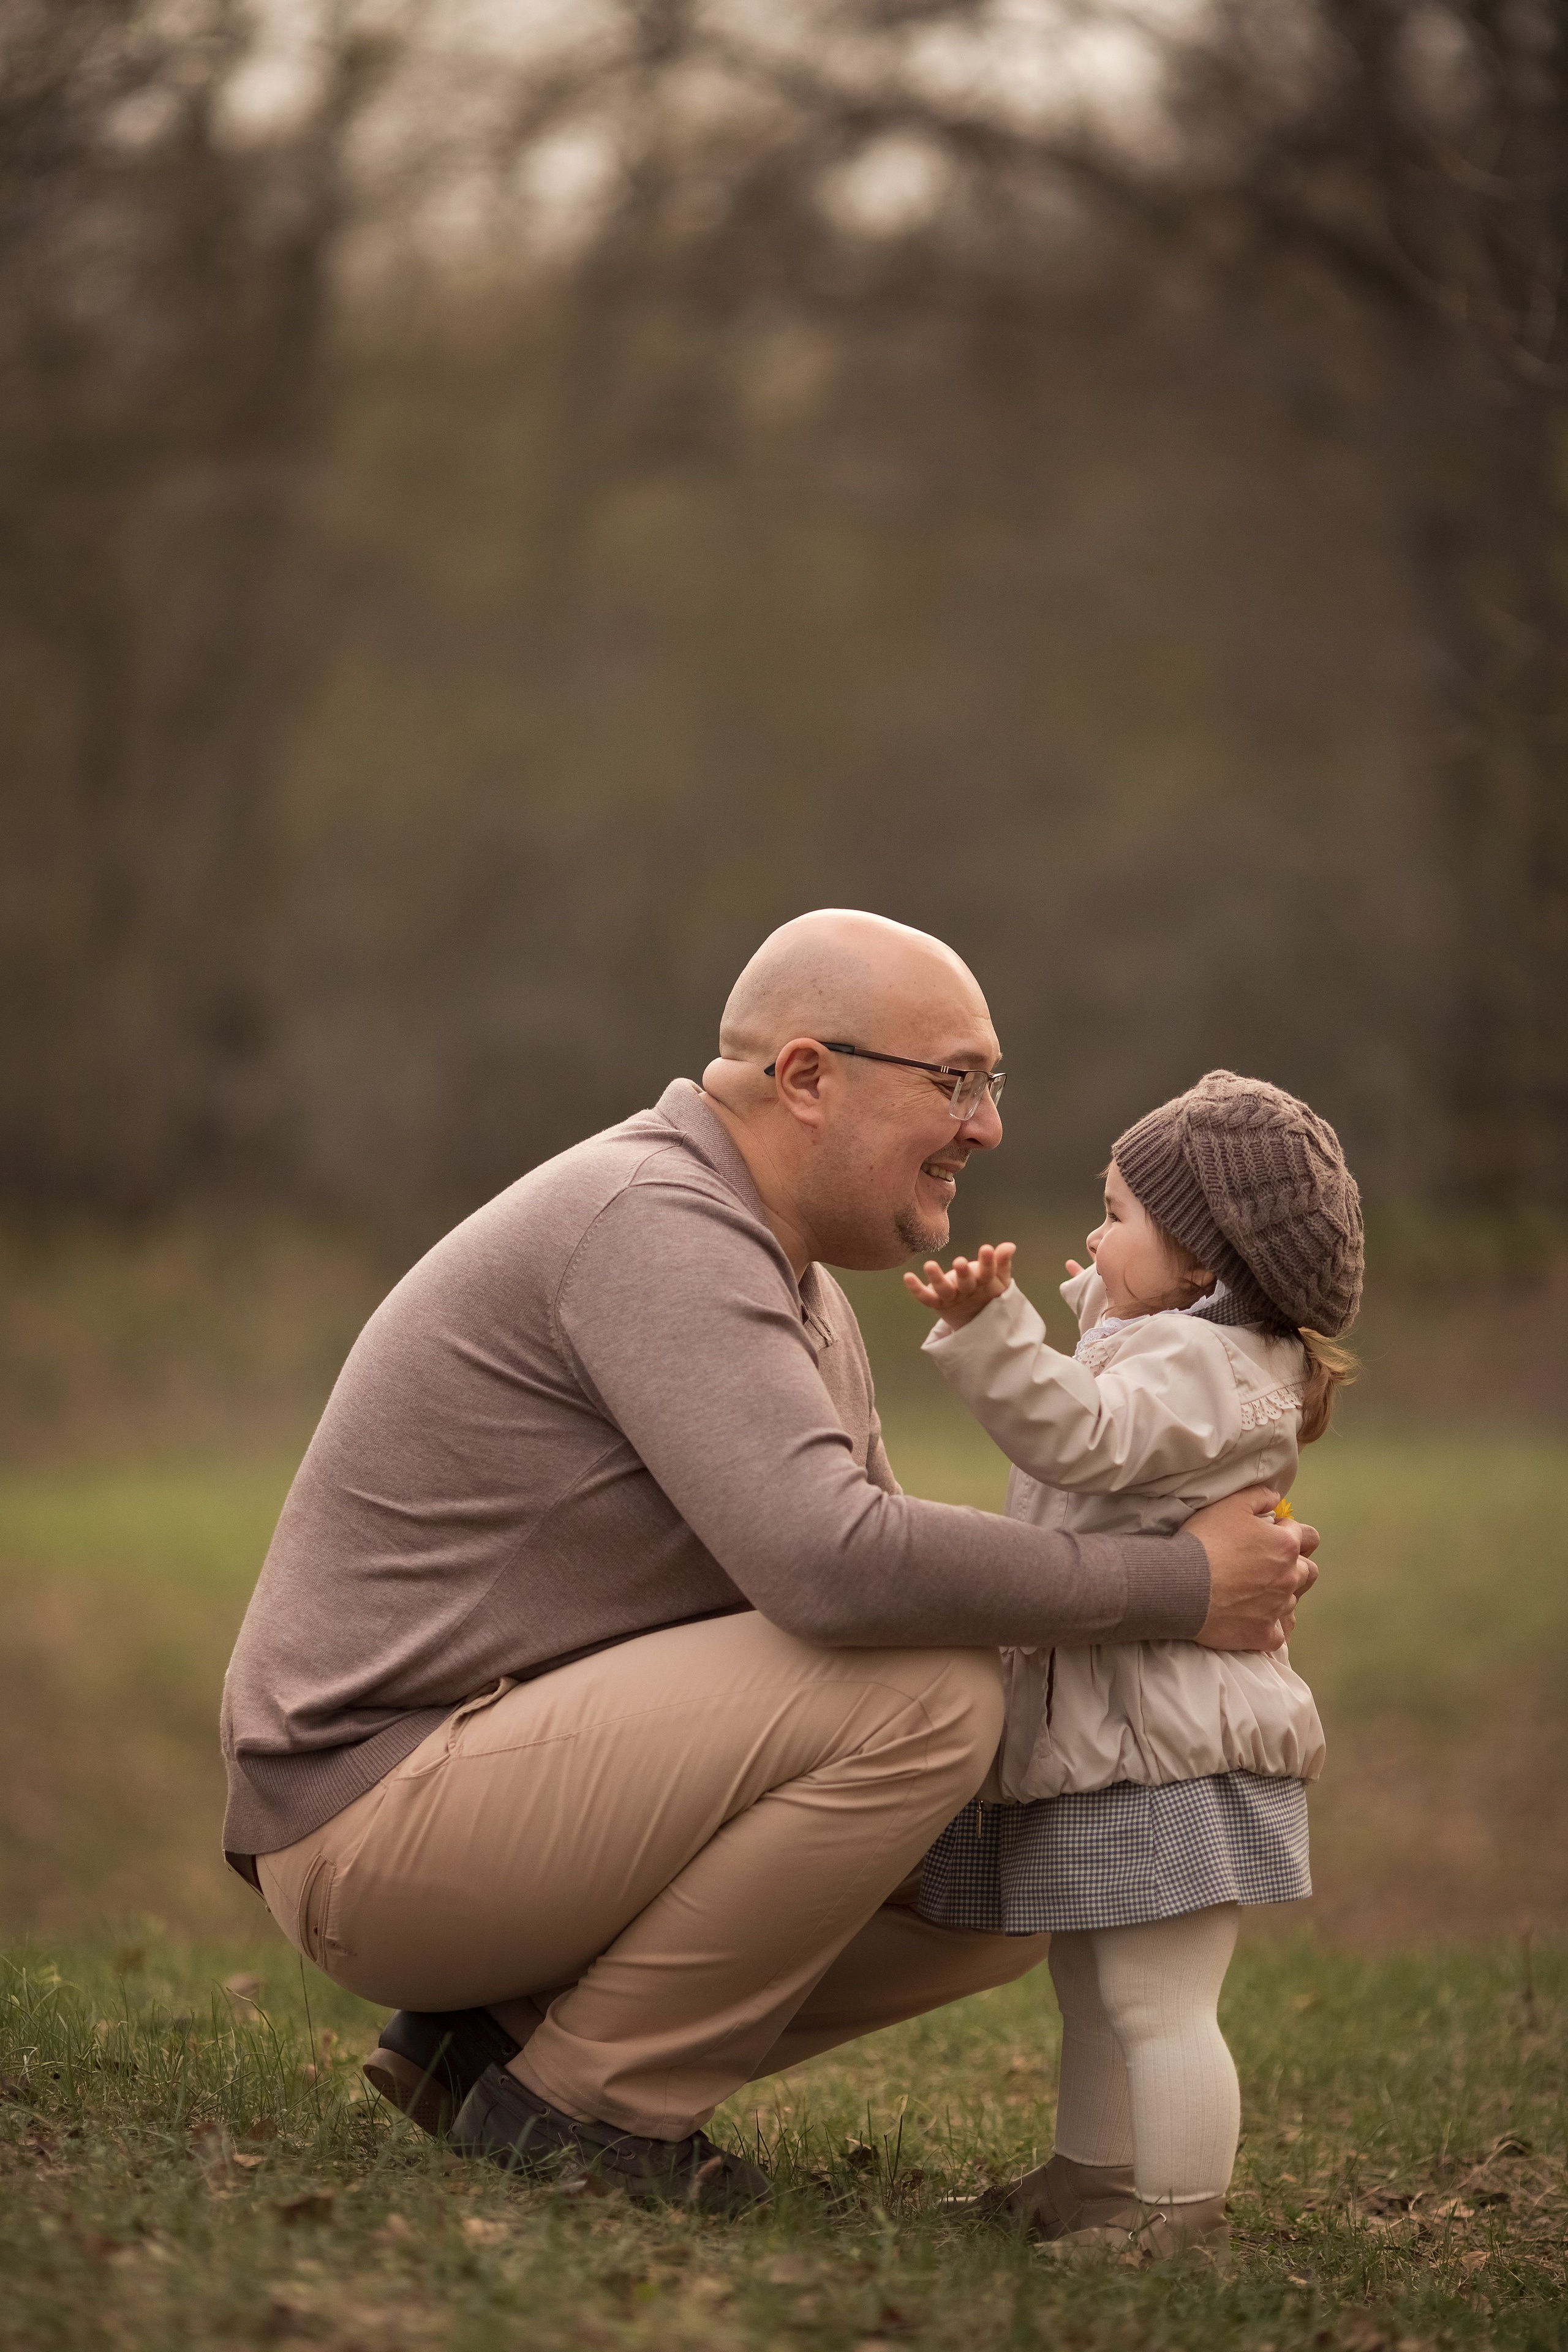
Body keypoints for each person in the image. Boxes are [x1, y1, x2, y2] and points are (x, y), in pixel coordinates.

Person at [219, 915, 1317, 2215]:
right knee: (932, 1699)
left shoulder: (783, 1274)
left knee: (1032, 1862)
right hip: (375, 1822)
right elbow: (838, 1570)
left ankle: (498, 2045)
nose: (987, 1127)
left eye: (991, 1086)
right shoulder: (655, 1225)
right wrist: (1183, 1589)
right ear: (806, 1078)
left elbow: (880, 1570)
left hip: (479, 1802)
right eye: (955, 1081)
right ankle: (584, 2111)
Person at [904, 1069, 1360, 2257]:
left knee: (1158, 2000)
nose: (1095, 1236)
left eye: (1115, 1216)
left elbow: (1087, 1433)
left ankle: (1178, 2224)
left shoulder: (1201, 1369)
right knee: (1097, 1989)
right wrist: (1093, 1295)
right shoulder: (1187, 1352)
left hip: (1170, 1745)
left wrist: (992, 1332)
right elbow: (1116, 1386)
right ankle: (1094, 2178)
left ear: (1201, 1262)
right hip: (1127, 1735)